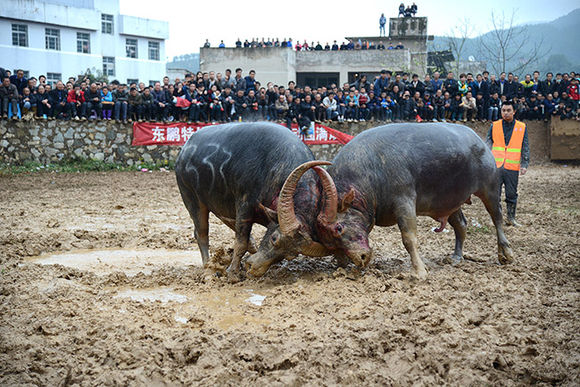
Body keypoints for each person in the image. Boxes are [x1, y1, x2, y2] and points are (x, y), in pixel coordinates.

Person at [486, 100, 529, 227]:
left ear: (514, 111)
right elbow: (488, 144)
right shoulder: (494, 125)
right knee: (494, 194)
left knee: (511, 193)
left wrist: (525, 164)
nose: (505, 113)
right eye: (503, 110)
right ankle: (495, 219)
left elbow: (525, 146)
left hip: (512, 166)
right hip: (496, 166)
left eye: (508, 110)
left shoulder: (522, 127)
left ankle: (511, 218)